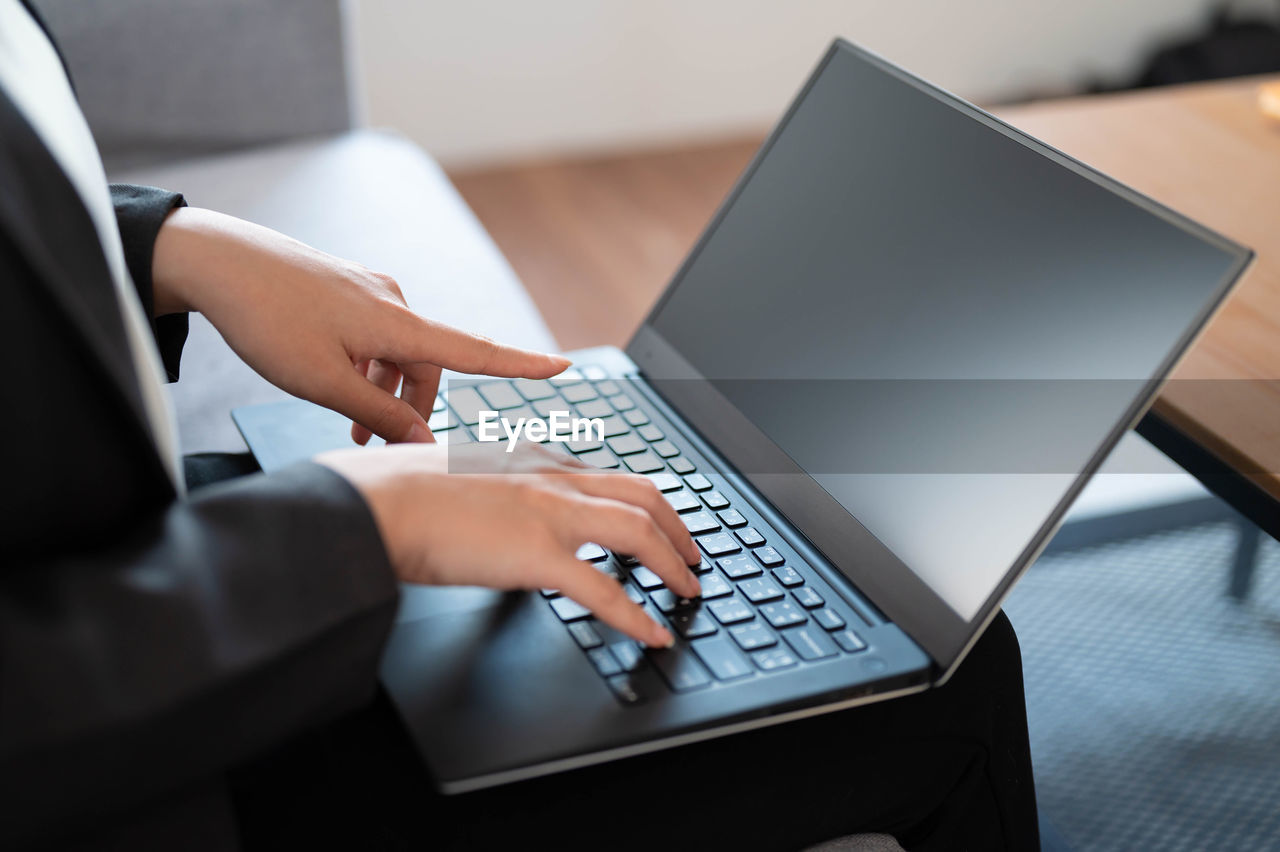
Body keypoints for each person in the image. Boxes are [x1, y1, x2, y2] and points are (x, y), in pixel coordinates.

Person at [0, 2, 1039, 849]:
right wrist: (364, 528)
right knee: (955, 679)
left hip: (159, 547)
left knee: (585, 450)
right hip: (168, 746)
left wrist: (165, 246)